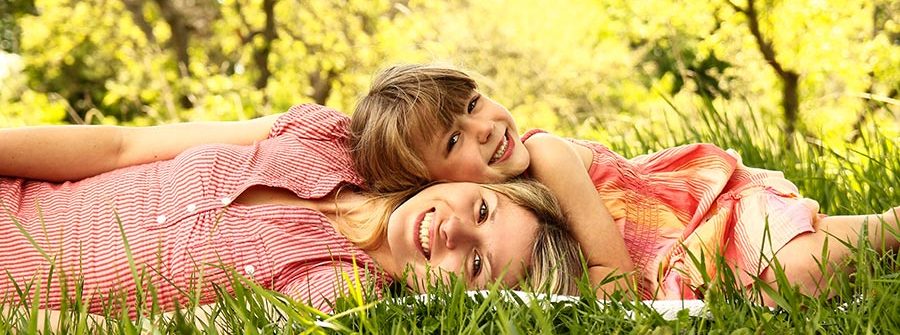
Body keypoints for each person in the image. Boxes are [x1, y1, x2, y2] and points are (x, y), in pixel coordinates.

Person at [348, 63, 900, 305]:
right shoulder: (464, 221)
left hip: (698, 220)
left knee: (791, 268)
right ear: (429, 182)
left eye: (473, 104)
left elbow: (615, 277)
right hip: (681, 262)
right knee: (776, 283)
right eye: (453, 140)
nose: (485, 127)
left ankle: (889, 227)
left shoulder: (546, 156)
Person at [0, 104, 584, 316]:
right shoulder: (329, 136)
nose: (454, 230)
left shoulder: (337, 299)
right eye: (481, 211)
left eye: (477, 265)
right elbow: (121, 146)